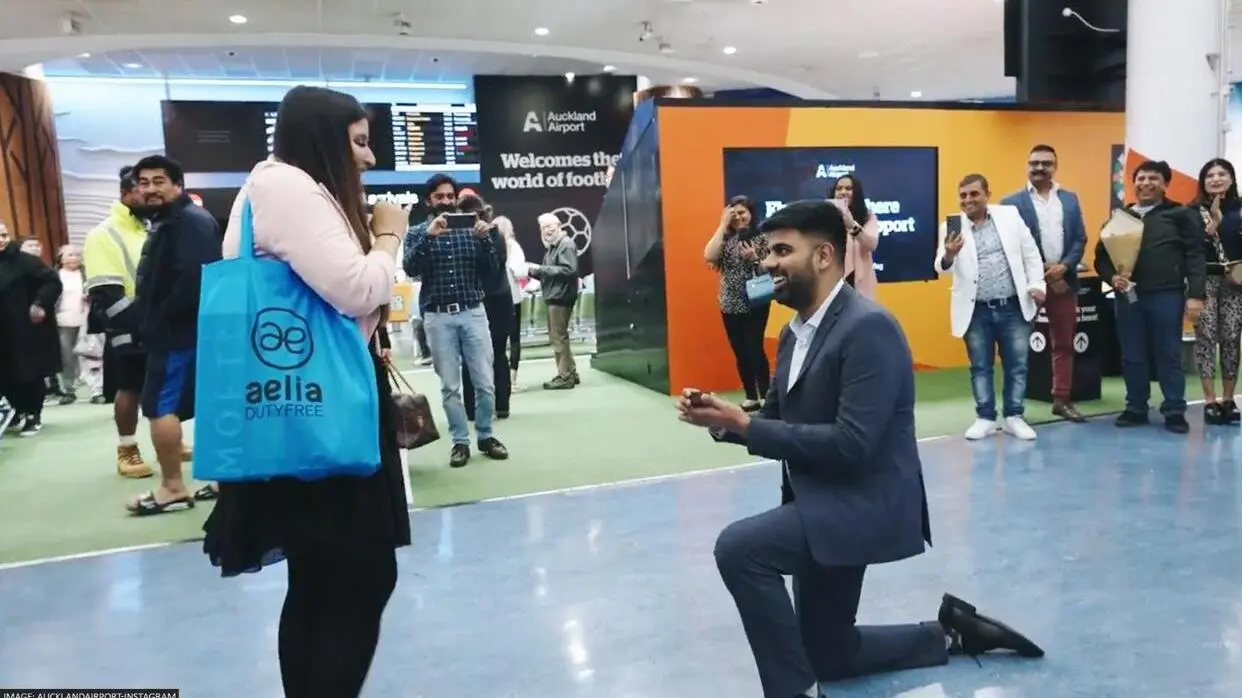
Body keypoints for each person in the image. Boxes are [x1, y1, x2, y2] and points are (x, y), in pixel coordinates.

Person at [677, 199, 1044, 698]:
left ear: (825, 255)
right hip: (822, 501)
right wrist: (728, 423)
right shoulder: (792, 333)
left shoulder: (869, 328)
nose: (767, 264)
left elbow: (853, 445)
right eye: (767, 252)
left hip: (862, 506)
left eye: (782, 250)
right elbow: (781, 424)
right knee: (828, 653)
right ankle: (952, 632)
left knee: (741, 549)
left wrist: (748, 426)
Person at [202, 85, 411, 697]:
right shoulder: (288, 188)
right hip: (320, 410)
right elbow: (357, 288)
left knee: (323, 581)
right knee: (359, 576)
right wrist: (389, 236)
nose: (369, 158)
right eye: (360, 142)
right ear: (323, 137)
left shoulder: (275, 188)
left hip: (302, 405)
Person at [123, 154, 222, 515]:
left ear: (177, 185)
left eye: (158, 181)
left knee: (159, 407)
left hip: (179, 336)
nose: (150, 189)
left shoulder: (188, 222)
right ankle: (223, 481)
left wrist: (160, 322)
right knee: (209, 404)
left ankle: (172, 487)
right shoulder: (170, 222)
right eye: (143, 183)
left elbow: (194, 281)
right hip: (184, 333)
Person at [403, 173, 509, 468]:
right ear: (429, 201)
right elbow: (410, 267)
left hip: (473, 312)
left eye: (450, 196)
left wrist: (486, 239)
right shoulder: (417, 232)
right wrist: (429, 237)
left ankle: (486, 436)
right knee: (450, 386)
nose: (447, 201)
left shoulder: (471, 229)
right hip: (438, 317)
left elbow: (492, 268)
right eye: (440, 197)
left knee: (485, 383)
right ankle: (460, 441)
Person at [1093, 160, 1206, 434]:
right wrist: (1112, 279)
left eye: (1153, 178)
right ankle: (1135, 407)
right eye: (1141, 178)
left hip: (1167, 295)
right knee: (1132, 354)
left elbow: (1195, 255)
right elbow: (1101, 258)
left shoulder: (1180, 214)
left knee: (1168, 354)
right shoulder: (1120, 217)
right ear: (1134, 183)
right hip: (1128, 297)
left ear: (1165, 184)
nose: (1146, 183)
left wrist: (1196, 295)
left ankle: (1175, 410)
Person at [935, 174, 1045, 441]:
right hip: (976, 311)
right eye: (963, 196)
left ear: (987, 194)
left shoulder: (1009, 217)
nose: (968, 200)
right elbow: (940, 266)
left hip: (1013, 306)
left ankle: (1013, 416)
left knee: (1017, 364)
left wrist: (1037, 283)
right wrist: (949, 253)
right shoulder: (950, 226)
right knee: (980, 366)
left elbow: (1030, 253)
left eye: (974, 194)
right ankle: (985, 417)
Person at [1001, 145, 1089, 422]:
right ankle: (1014, 409)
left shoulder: (1070, 199)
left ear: (1055, 166)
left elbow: (1080, 239)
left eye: (1046, 163)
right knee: (1017, 347)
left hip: (1064, 283)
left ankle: (1061, 400)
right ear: (1027, 165)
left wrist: (1063, 267)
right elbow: (1011, 245)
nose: (1039, 168)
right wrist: (1043, 271)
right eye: (1034, 163)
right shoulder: (1010, 203)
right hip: (1027, 285)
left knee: (1063, 344)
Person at [82, 165, 154, 478]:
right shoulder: (103, 233)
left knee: (161, 386)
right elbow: (104, 292)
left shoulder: (151, 228)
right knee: (130, 388)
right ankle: (127, 449)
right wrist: (137, 323)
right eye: (143, 189)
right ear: (126, 194)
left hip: (159, 326)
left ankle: (169, 443)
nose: (150, 195)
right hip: (128, 327)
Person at [704, 195, 771, 410]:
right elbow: (709, 255)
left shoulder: (762, 236)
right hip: (729, 302)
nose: (739, 217)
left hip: (756, 300)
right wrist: (723, 225)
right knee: (740, 351)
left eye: (742, 212)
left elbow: (770, 268)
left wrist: (754, 258)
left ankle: (768, 396)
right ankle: (751, 396)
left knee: (754, 348)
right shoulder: (725, 237)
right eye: (734, 214)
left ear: (751, 213)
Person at [1191, 157, 1242, 425]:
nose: (1216, 178)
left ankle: (1229, 399)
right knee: (1206, 339)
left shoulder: (1240, 209)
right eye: (1210, 174)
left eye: (1222, 173)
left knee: (1232, 338)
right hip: (1204, 283)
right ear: (1203, 181)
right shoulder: (1192, 211)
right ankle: (1210, 401)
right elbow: (1189, 251)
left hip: (1236, 284)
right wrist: (1208, 230)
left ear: (1232, 179)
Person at [0, 225, 63, 436]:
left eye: (4, 235)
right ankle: (16, 411)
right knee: (6, 374)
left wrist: (40, 303)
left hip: (25, 328)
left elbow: (52, 282)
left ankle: (32, 414)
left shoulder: (26, 261)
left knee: (28, 373)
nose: (1, 239)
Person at [458, 194, 515, 419]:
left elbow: (492, 267)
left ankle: (479, 408)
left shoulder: (491, 235)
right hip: (497, 300)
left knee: (482, 356)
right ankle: (495, 406)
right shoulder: (495, 234)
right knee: (496, 355)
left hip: (488, 301)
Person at [528, 212, 580, 390]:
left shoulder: (564, 245)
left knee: (558, 337)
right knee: (559, 335)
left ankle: (565, 376)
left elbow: (569, 270)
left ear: (559, 226)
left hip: (561, 297)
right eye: (543, 227)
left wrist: (540, 269)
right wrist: (533, 272)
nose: (547, 230)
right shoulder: (554, 246)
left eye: (550, 226)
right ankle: (570, 371)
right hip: (556, 296)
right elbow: (553, 271)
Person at [829, 174, 880, 299]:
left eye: (848, 188)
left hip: (859, 284)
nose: (843, 192)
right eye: (839, 188)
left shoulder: (868, 216)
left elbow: (872, 244)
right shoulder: (826, 216)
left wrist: (852, 225)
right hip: (832, 281)